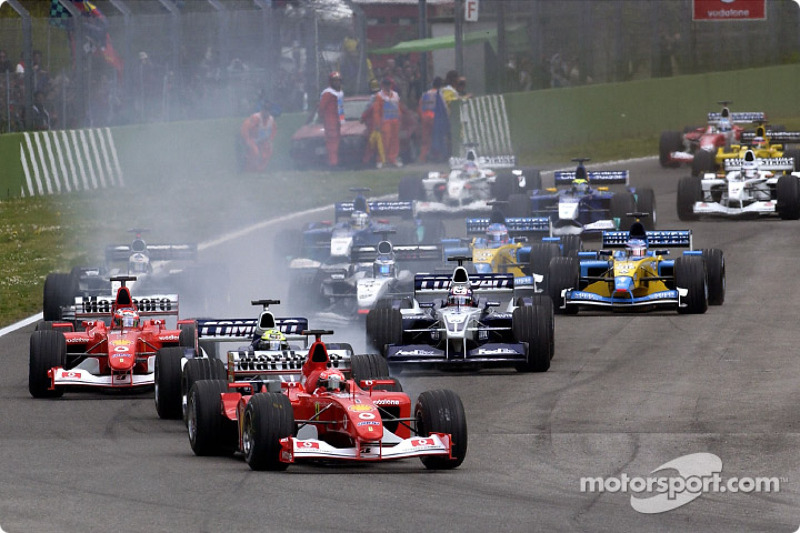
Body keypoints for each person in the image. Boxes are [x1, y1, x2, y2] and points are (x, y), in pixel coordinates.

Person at [371, 77, 403, 168]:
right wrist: (377, 124)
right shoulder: (379, 96)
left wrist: (400, 120)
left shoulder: (395, 95)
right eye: (386, 84)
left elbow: (399, 108)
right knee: (384, 141)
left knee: (395, 141)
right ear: (383, 85)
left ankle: (393, 159)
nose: (387, 86)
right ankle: (380, 160)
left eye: (389, 84)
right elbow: (376, 111)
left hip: (395, 121)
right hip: (385, 122)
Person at [240, 100, 277, 172]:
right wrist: (247, 140)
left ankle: (260, 169)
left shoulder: (271, 120)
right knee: (255, 152)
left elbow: (274, 130)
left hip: (261, 140)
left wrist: (270, 140)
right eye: (265, 110)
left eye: (268, 110)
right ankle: (249, 169)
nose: (266, 112)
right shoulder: (255, 118)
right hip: (251, 139)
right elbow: (245, 128)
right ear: (262, 110)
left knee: (268, 151)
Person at [318, 71, 345, 168]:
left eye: (339, 81)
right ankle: (333, 163)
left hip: (338, 122)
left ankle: (334, 161)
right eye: (335, 81)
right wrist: (323, 118)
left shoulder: (340, 93)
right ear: (331, 82)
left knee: (336, 143)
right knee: (332, 143)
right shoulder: (328, 93)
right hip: (331, 122)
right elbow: (321, 108)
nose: (337, 83)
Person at [418, 76, 446, 163]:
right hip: (435, 117)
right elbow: (443, 107)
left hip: (425, 117)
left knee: (426, 138)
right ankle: (436, 156)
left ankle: (423, 157)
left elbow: (420, 106)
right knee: (436, 137)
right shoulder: (439, 94)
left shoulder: (425, 94)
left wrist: (422, 117)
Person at [361, 79, 385, 168]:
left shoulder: (373, 99)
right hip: (376, 125)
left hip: (375, 125)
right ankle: (370, 161)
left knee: (373, 144)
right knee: (376, 144)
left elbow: (366, 112)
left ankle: (369, 161)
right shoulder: (380, 98)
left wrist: (362, 119)